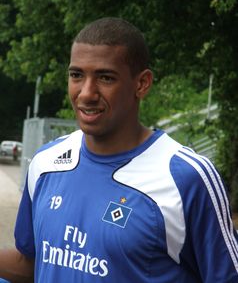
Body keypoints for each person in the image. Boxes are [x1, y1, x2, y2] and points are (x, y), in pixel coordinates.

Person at [0, 17, 238, 283]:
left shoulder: (187, 178)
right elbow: (32, 264)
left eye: (105, 77)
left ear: (142, 84)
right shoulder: (46, 163)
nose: (86, 93)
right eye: (77, 75)